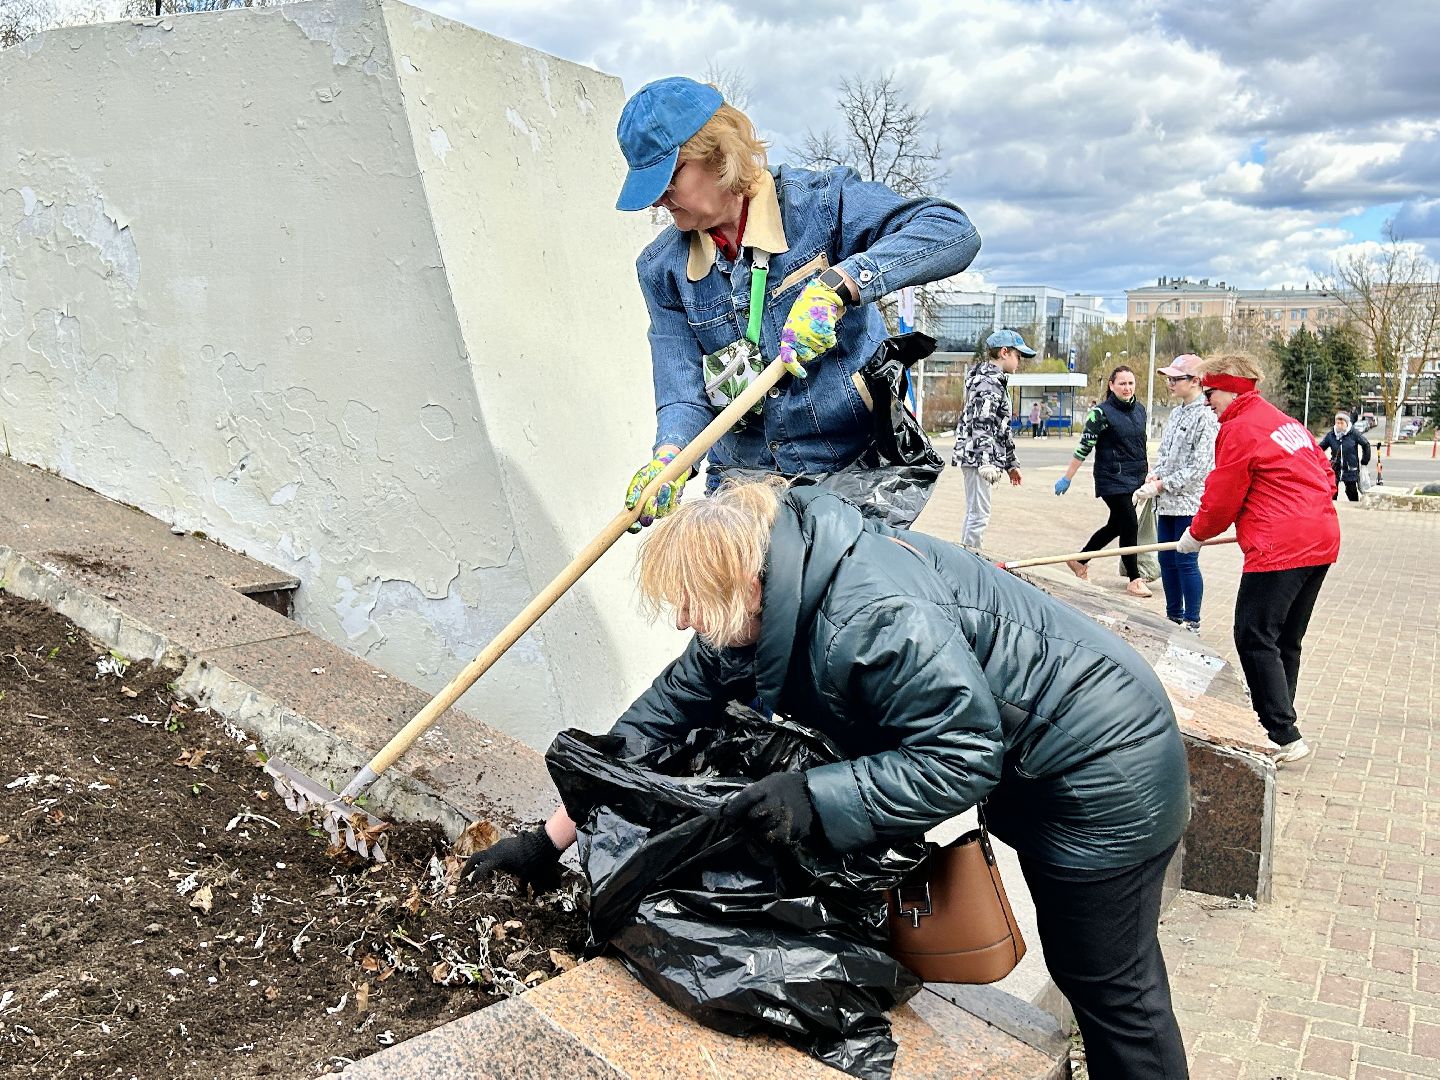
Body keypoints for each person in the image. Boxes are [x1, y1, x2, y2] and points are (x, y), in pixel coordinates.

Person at [467, 479, 1192, 1079]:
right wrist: (550, 839)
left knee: (1106, 980)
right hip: (1039, 761)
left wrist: (812, 798)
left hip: (1106, 771)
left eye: (692, 602)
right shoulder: (769, 594)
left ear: (745, 584)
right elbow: (654, 724)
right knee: (1096, 971)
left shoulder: (871, 616)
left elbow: (964, 757)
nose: (684, 619)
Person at [612, 76, 981, 527]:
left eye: (669, 177)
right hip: (743, 483)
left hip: (852, 472)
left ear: (718, 153)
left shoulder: (821, 206)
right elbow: (683, 395)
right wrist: (669, 457)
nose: (657, 199)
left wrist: (840, 284)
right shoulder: (662, 270)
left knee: (851, 595)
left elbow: (952, 230)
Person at [1176, 355, 1340, 765]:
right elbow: (1326, 472)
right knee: (1284, 638)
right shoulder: (1283, 421)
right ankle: (1281, 725)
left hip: (1280, 547)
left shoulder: (1238, 429)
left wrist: (1195, 535)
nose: (1208, 402)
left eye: (1210, 393)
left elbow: (1222, 497)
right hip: (1319, 538)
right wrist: (1305, 506)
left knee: (1253, 634)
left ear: (1230, 390)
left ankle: (1279, 733)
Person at [1132, 355, 1218, 631]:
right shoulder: (1177, 412)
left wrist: (1162, 484)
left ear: (1195, 381)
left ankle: (1192, 620)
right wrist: (1155, 474)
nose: (1170, 383)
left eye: (1176, 378)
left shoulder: (1207, 416)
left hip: (1189, 504)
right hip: (1166, 503)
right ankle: (1173, 616)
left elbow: (1200, 467)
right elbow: (1167, 454)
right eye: (1168, 378)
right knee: (1165, 559)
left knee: (1185, 560)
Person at [1054, 366, 1152, 597]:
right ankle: (1134, 579)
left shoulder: (1140, 410)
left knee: (1116, 526)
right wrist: (1067, 478)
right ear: (1111, 385)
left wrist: (1147, 473)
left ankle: (1080, 560)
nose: (1127, 388)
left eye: (1130, 383)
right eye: (1122, 383)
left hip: (1135, 478)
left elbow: (1140, 445)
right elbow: (1084, 447)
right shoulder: (1100, 413)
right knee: (1129, 524)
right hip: (1112, 478)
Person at [950, 329, 1028, 548]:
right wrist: (985, 461)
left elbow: (1001, 427)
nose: (1019, 361)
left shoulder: (993, 381)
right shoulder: (988, 383)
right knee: (979, 515)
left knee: (977, 512)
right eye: (1018, 356)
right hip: (978, 457)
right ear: (1005, 352)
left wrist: (1011, 464)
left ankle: (969, 555)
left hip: (979, 456)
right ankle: (971, 560)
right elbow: (982, 422)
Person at [1318, 411, 1372, 502]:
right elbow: (1320, 448)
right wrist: (1316, 458)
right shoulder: (1331, 435)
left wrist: (1364, 461)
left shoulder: (1353, 433)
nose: (1339, 425)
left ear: (1346, 423)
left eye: (1341, 423)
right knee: (1332, 490)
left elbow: (1366, 444)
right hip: (1335, 467)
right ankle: (1332, 508)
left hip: (1350, 467)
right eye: (1337, 423)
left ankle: (1354, 508)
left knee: (1351, 491)